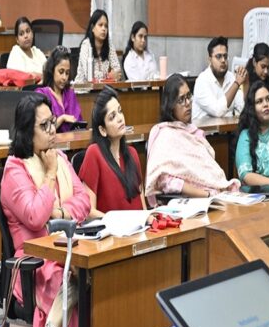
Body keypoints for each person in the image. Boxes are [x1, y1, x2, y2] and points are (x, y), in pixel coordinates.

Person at [0, 93, 90, 327]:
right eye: (45, 126)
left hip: (67, 248)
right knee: (78, 288)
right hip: (36, 262)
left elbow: (84, 200)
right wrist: (50, 176)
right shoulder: (15, 170)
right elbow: (36, 217)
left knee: (95, 279)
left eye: (53, 123)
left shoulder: (58, 157)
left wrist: (61, 213)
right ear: (27, 131)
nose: (53, 131)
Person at [145, 74, 240, 204]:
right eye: (181, 100)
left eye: (189, 96)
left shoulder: (194, 132)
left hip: (216, 197)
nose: (188, 104)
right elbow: (165, 181)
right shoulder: (165, 136)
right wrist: (206, 195)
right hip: (192, 203)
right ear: (170, 105)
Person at [79, 87, 146, 218]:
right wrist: (116, 222)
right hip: (111, 233)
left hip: (138, 233)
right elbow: (89, 211)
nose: (120, 118)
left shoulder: (133, 154)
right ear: (102, 130)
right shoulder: (94, 153)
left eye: (120, 111)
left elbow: (142, 207)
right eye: (112, 117)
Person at [192, 36, 246, 120]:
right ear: (209, 60)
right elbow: (217, 111)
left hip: (229, 131)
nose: (223, 60)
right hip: (206, 132)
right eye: (218, 56)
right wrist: (237, 83)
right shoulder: (202, 81)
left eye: (225, 56)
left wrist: (246, 83)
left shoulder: (231, 77)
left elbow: (242, 107)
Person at [36, 47, 82, 133]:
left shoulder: (70, 94)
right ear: (52, 70)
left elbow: (79, 123)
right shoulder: (41, 94)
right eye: (61, 72)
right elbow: (42, 130)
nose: (64, 77)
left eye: (67, 73)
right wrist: (62, 119)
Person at [74, 9, 121, 83]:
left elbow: (117, 71)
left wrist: (110, 77)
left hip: (102, 90)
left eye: (106, 26)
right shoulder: (86, 45)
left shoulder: (109, 45)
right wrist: (109, 77)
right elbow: (90, 76)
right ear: (92, 28)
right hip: (84, 91)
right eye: (100, 25)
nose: (104, 29)